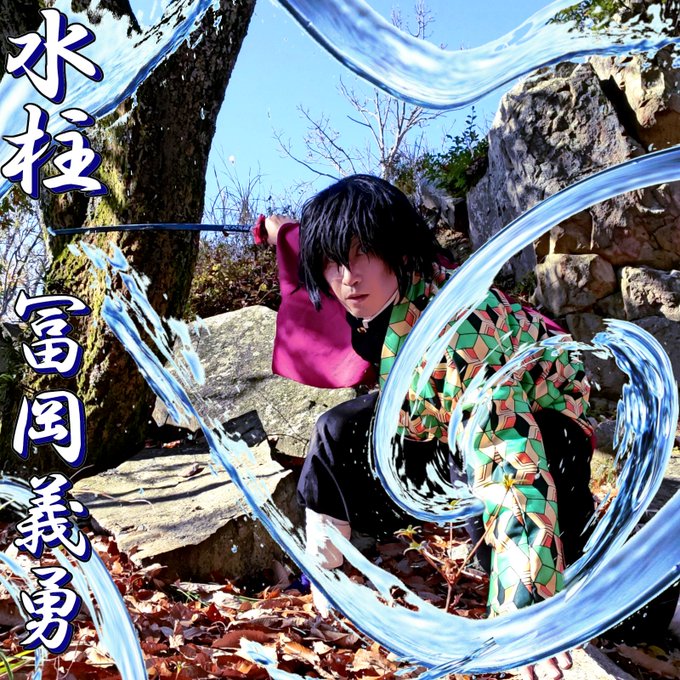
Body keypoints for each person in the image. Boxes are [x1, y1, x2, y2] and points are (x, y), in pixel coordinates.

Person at [258, 175, 595, 680]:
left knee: (573, 570)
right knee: (337, 430)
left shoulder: (462, 330)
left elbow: (512, 459)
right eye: (332, 261)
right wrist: (277, 230)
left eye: (365, 252)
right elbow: (308, 241)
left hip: (542, 428)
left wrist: (525, 609)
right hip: (437, 417)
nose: (348, 277)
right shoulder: (371, 290)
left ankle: (646, 602)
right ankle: (327, 567)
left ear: (399, 247)